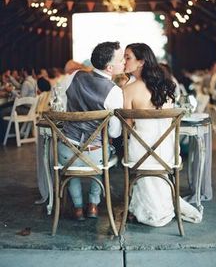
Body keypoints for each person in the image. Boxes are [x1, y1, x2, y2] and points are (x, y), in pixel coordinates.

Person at [123, 43, 202, 227]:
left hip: (140, 156)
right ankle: (157, 206)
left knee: (130, 148)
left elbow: (127, 128)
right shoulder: (166, 86)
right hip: (167, 153)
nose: (123, 61)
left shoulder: (128, 90)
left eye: (127, 57)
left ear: (141, 62)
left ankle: (144, 208)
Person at [58, 41, 125, 220]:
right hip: (95, 154)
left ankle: (78, 208)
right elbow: (114, 133)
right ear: (110, 68)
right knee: (105, 155)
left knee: (72, 168)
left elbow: (61, 109)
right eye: (121, 59)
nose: (124, 62)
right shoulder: (115, 91)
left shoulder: (73, 77)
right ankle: (93, 205)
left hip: (65, 150)